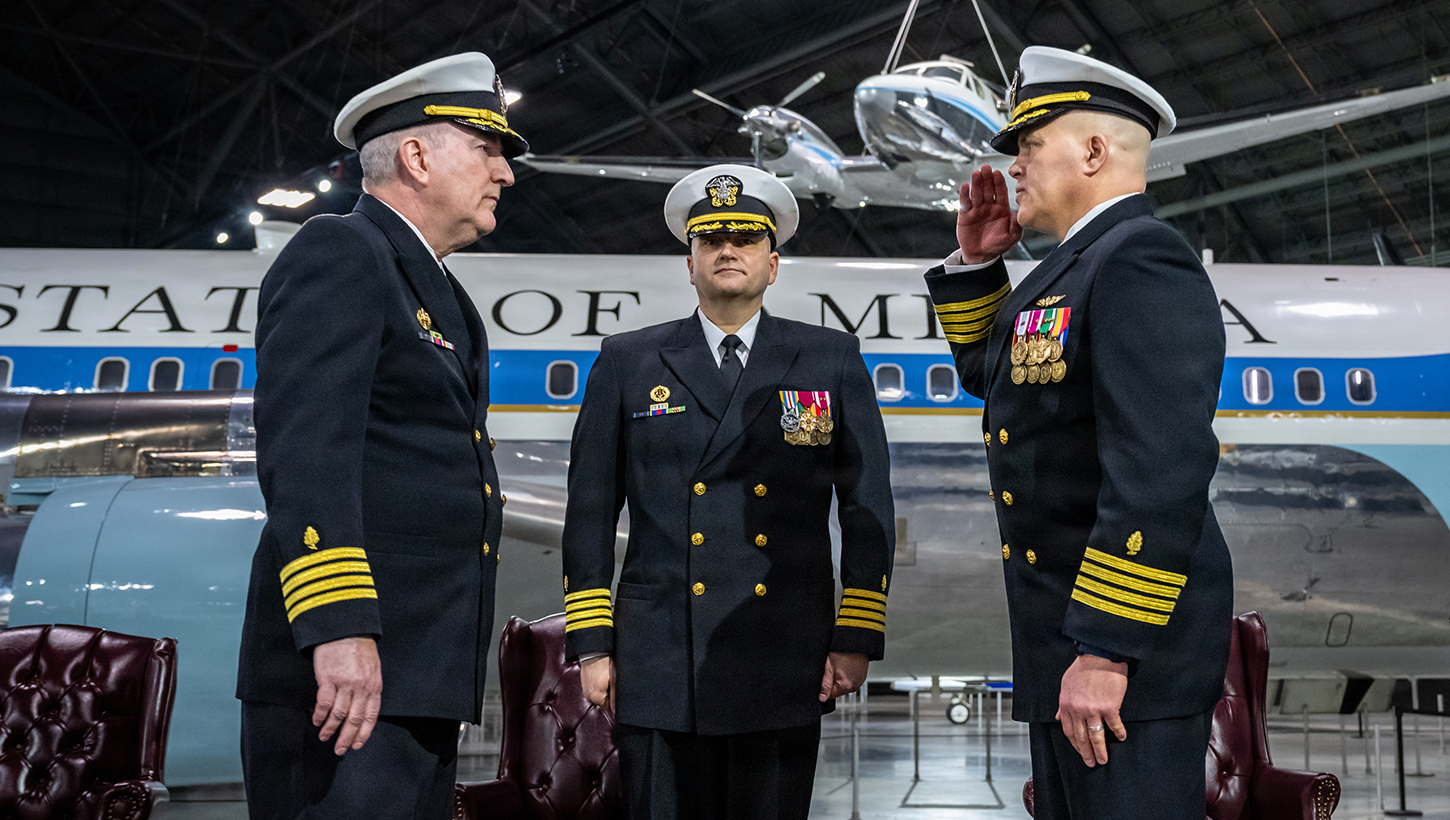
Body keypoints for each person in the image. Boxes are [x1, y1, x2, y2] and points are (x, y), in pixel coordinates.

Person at [921, 46, 1234, 818]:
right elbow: (1006, 382)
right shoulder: (1077, 266)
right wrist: (977, 265)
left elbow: (1159, 468)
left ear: (1094, 152)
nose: (1015, 166)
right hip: (1066, 647)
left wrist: (1106, 649)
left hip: (1121, 661)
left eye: (1030, 145)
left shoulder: (1140, 258)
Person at [236, 52, 526, 820]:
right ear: (417, 156)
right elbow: (308, 453)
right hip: (344, 674)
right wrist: (338, 629)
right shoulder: (342, 250)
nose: (505, 173)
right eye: (486, 149)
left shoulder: (442, 294)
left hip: (413, 671)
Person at [561, 164, 896, 820]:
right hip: (661, 654)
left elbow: (866, 507)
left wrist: (856, 634)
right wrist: (594, 644)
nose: (727, 251)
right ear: (689, 265)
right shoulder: (629, 360)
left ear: (773, 264)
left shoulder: (829, 358)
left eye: (744, 240)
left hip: (783, 650)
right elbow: (591, 510)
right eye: (710, 241)